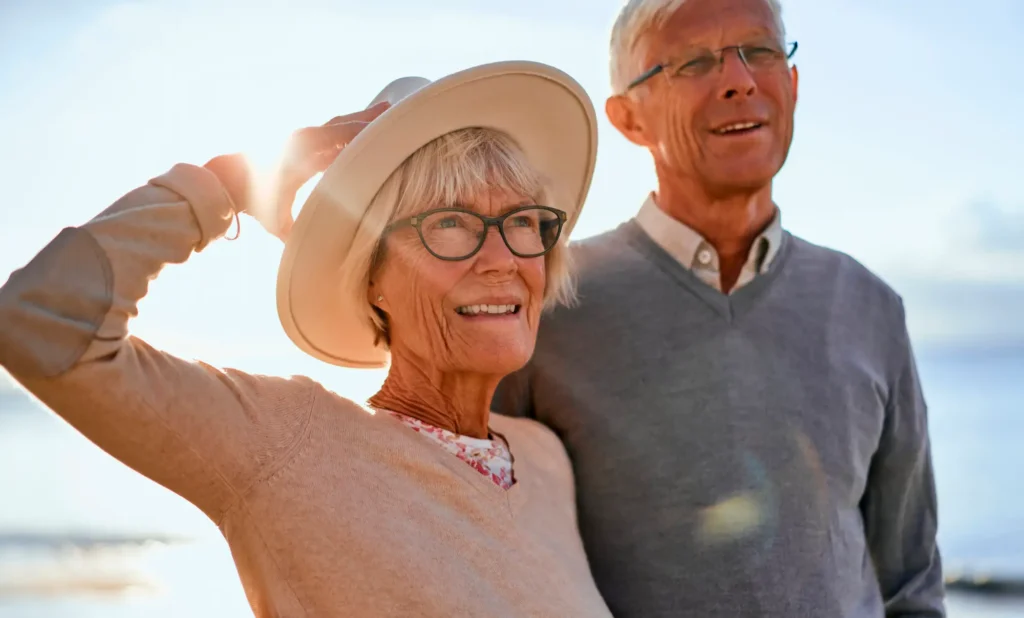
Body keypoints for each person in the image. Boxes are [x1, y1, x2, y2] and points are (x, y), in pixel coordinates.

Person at [0, 61, 612, 617]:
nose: (502, 258)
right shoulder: (285, 443)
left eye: (523, 221)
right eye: (450, 222)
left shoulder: (544, 460)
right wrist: (227, 186)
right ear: (373, 277)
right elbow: (37, 322)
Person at [493, 1, 946, 616]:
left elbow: (911, 579)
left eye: (759, 50)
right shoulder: (549, 301)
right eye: (692, 62)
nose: (738, 79)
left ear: (791, 83)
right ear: (628, 118)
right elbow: (486, 553)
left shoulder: (872, 307)